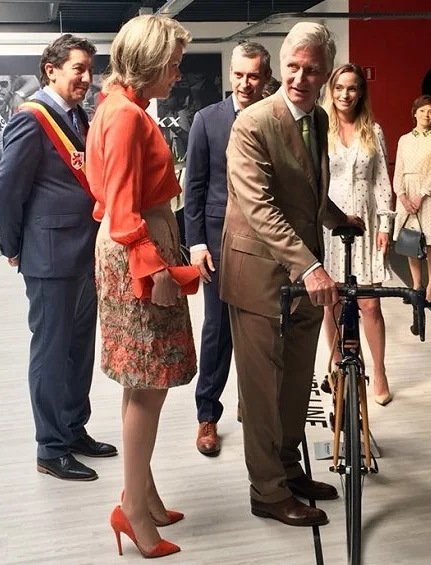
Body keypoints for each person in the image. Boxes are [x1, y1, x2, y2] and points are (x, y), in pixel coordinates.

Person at [220, 22, 365, 527]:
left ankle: (287, 469)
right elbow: (259, 207)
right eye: (293, 68)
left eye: (312, 70)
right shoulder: (252, 123)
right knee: (261, 390)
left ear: (326, 74)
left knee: (296, 384)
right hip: (260, 274)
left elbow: (303, 190)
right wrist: (312, 266)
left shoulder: (320, 120)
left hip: (303, 275)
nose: (301, 78)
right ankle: (267, 492)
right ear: (282, 65)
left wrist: (337, 218)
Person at [86, 14, 199, 558]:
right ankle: (132, 509)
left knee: (142, 382)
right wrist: (153, 270)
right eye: (173, 64)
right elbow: (126, 211)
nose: (177, 73)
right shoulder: (127, 115)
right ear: (151, 60)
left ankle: (143, 492)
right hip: (139, 249)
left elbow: (104, 197)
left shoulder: (115, 107)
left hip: (132, 243)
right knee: (149, 385)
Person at [0, 34, 117, 482]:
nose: (86, 77)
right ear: (52, 70)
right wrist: (11, 246)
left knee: (78, 350)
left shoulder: (77, 115)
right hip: (48, 257)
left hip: (82, 253)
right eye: (77, 69)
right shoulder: (31, 119)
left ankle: (72, 428)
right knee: (50, 351)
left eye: (89, 69)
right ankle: (50, 447)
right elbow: (7, 190)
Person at [184, 41, 271, 457]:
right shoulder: (207, 120)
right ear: (230, 74)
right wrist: (196, 243)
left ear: (265, 77)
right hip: (217, 241)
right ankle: (207, 415)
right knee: (217, 330)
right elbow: (195, 188)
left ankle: (250, 403)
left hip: (264, 241)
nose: (245, 83)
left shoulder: (275, 118)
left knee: (258, 328)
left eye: (253, 75)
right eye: (238, 74)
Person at [320, 64, 394, 406]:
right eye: (339, 88)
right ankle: (337, 367)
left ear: (361, 91)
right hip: (329, 222)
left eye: (352, 88)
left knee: (369, 304)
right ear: (331, 91)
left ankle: (378, 370)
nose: (345, 95)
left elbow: (381, 181)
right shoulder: (321, 128)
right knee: (331, 302)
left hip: (364, 222)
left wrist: (385, 225)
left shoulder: (373, 130)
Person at [393, 95, 431, 307]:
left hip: (429, 194)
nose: (427, 114)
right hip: (407, 191)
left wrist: (421, 193)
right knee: (410, 240)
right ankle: (416, 286)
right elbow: (398, 170)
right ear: (415, 112)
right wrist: (403, 196)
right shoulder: (404, 139)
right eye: (423, 110)